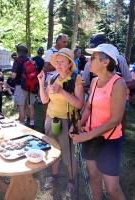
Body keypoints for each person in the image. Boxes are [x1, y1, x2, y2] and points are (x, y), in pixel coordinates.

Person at [70, 44, 126, 200]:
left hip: (109, 141)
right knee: (94, 176)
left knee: (112, 189)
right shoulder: (94, 82)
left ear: (105, 62)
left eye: (93, 57)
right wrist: (78, 125)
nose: (88, 60)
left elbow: (115, 120)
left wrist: (86, 136)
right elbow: (89, 107)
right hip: (90, 136)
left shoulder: (118, 84)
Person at [39, 48, 84, 197]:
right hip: (51, 118)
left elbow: (79, 104)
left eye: (62, 61)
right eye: (56, 61)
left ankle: (72, 182)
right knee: (53, 150)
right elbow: (45, 100)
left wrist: (61, 92)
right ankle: (54, 177)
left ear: (70, 63)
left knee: (68, 153)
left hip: (68, 121)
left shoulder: (75, 78)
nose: (58, 64)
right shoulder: (52, 78)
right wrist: (41, 83)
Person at [42, 34, 68, 131]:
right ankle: (46, 126)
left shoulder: (64, 52)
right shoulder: (51, 51)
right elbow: (45, 67)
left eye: (67, 42)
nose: (66, 44)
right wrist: (59, 66)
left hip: (62, 81)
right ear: (58, 42)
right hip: (51, 81)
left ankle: (58, 123)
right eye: (64, 42)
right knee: (47, 103)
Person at [11, 44, 35, 128]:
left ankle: (22, 125)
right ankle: (32, 123)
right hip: (30, 85)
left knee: (21, 106)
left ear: (18, 52)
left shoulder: (17, 61)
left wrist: (10, 77)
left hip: (20, 86)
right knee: (30, 105)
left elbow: (14, 75)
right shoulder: (30, 60)